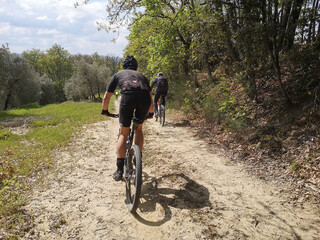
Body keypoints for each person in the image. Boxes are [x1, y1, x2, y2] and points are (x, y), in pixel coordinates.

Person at [101, 56, 154, 181]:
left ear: (124, 66)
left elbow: (107, 97)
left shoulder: (118, 74)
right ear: (136, 66)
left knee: (124, 133)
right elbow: (150, 97)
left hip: (128, 97)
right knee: (138, 129)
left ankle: (119, 170)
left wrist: (105, 111)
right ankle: (137, 158)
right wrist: (150, 113)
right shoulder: (141, 75)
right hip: (143, 100)